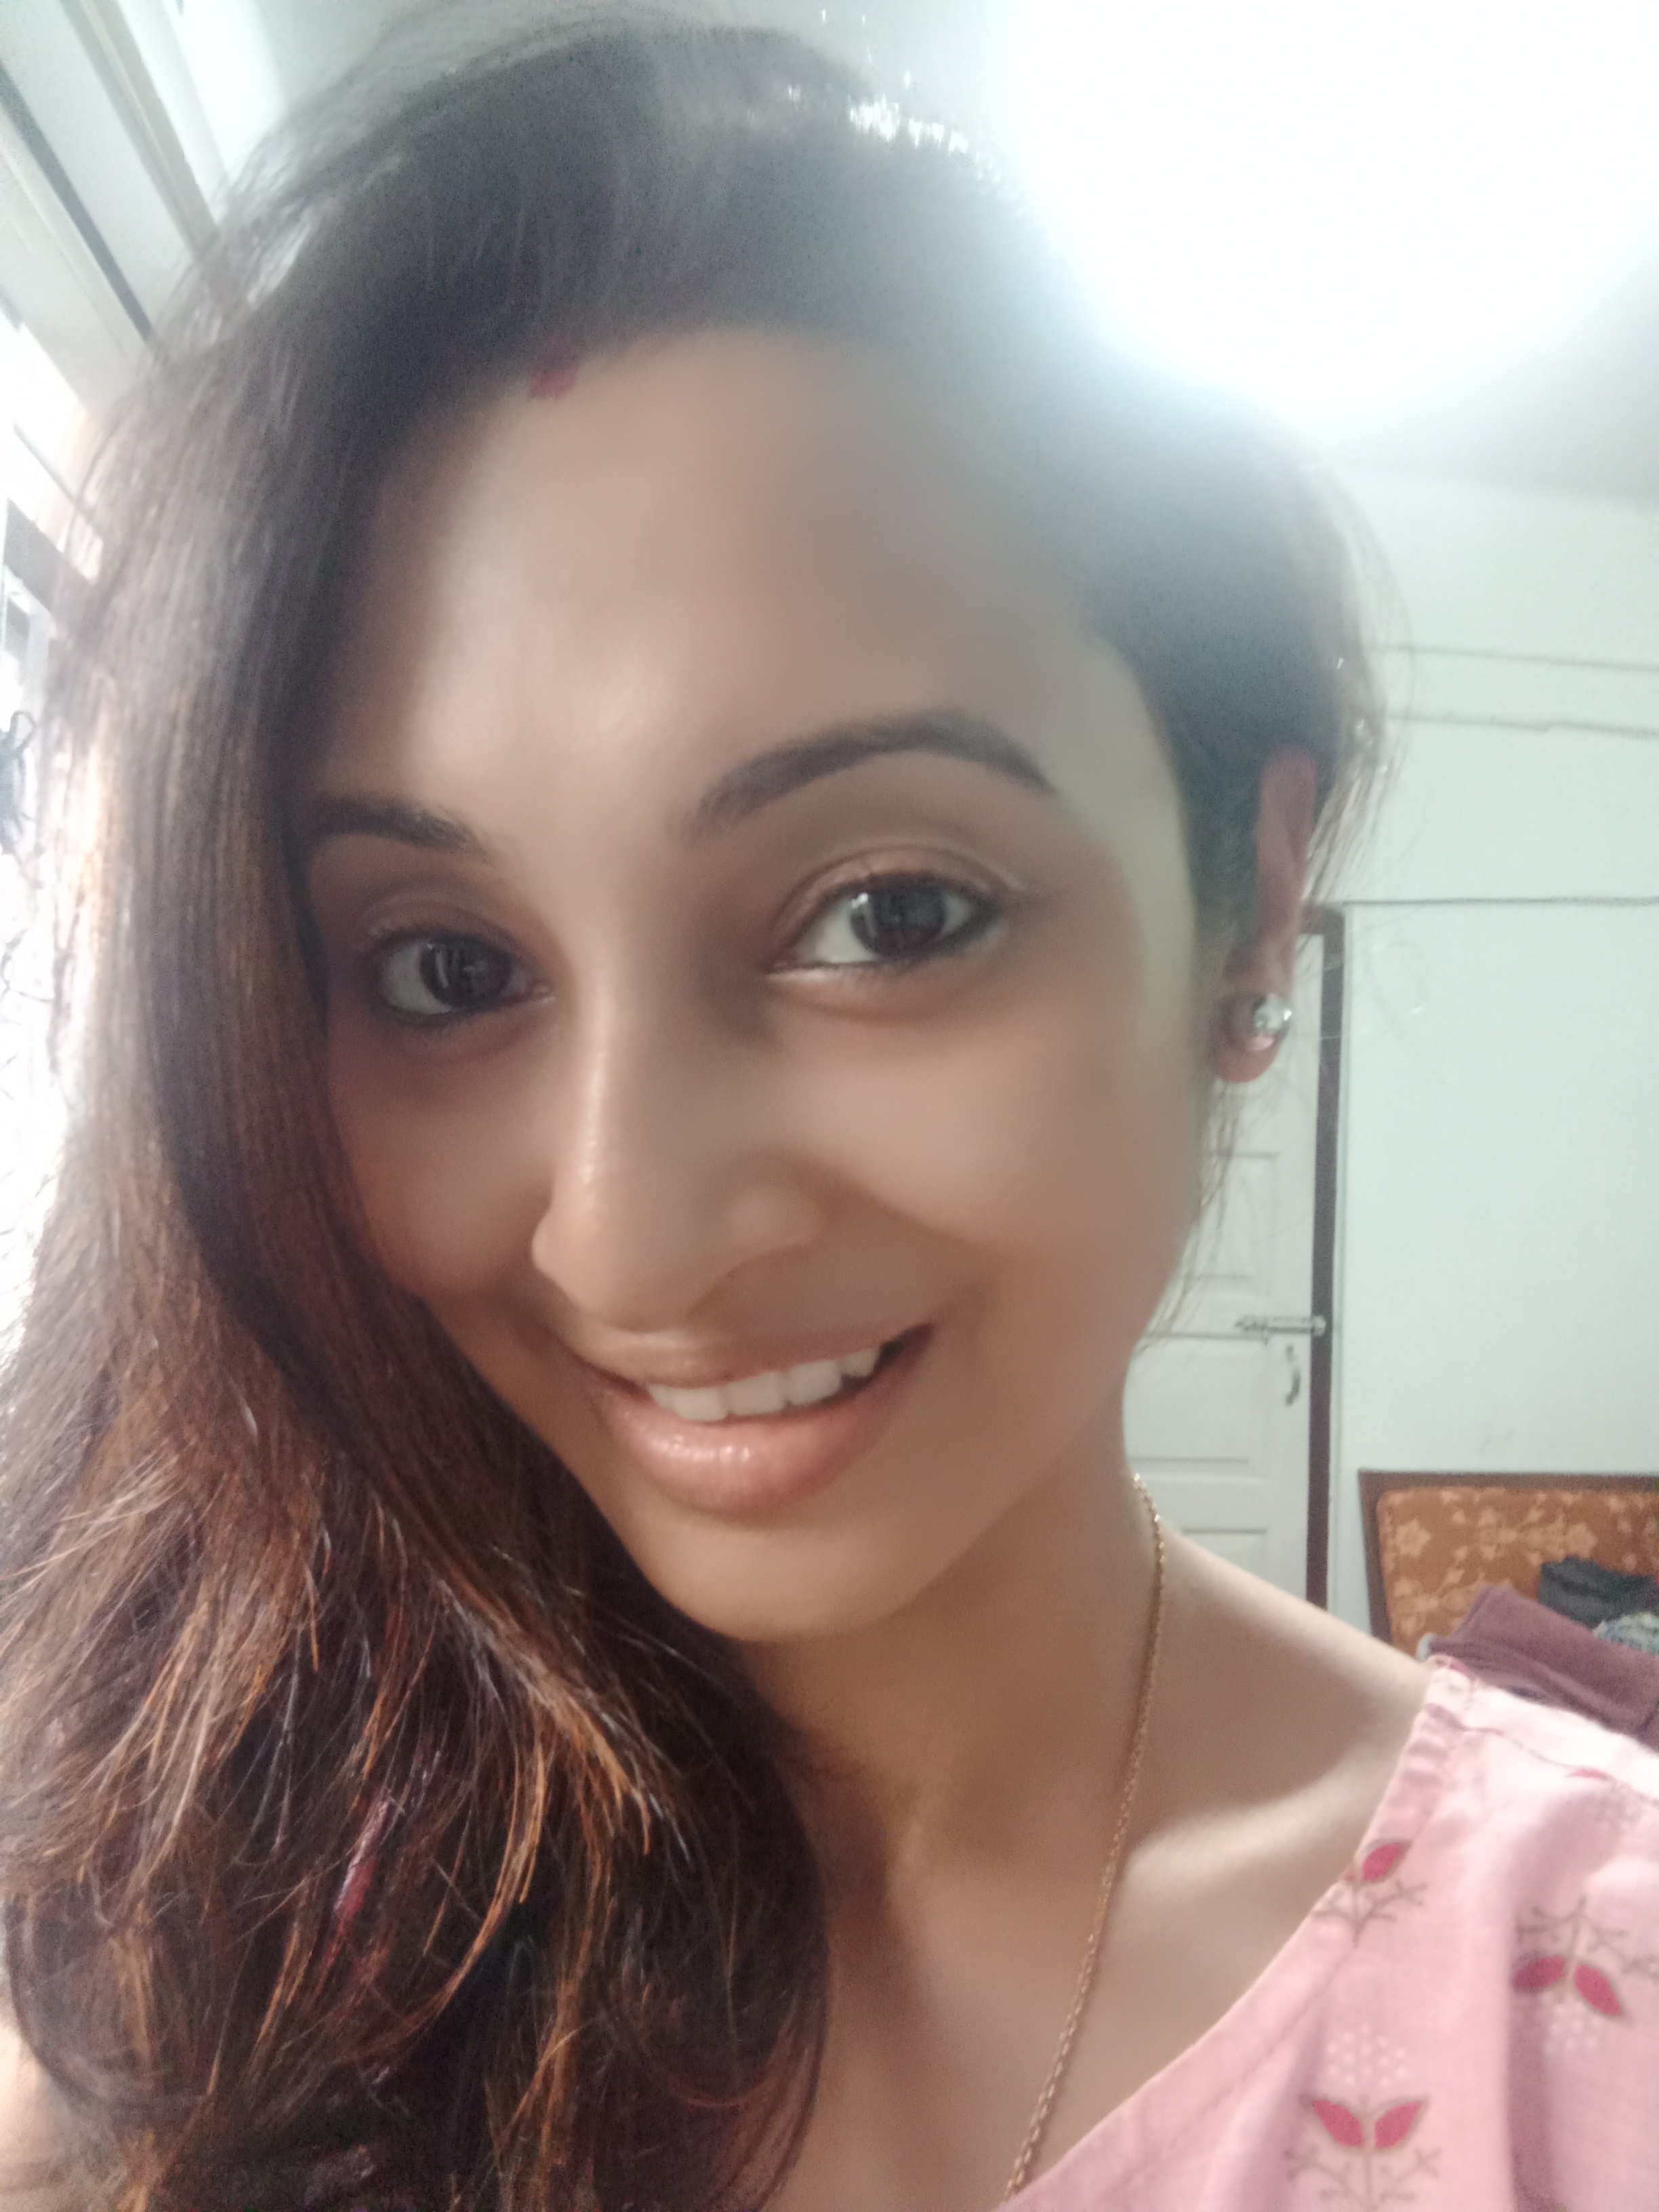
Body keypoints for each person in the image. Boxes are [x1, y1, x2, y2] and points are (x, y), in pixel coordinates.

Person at [1, 15, 1656, 2212]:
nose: (632, 1229)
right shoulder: (196, 1900)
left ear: (1252, 906)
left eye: (888, 914)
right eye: (446, 970)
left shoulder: (1590, 2010)